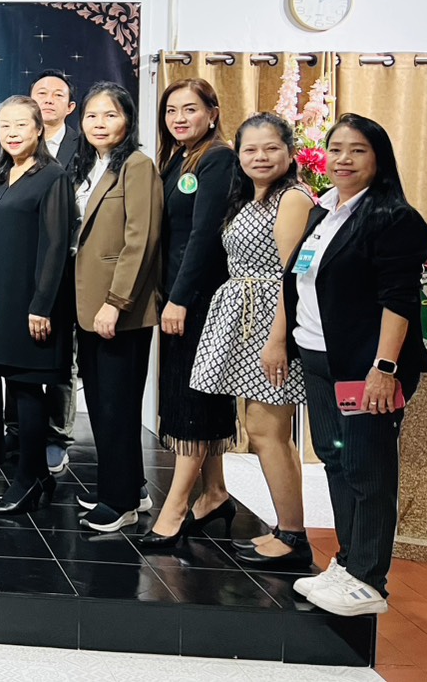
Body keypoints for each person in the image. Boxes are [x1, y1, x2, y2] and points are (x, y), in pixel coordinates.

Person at [284, 115, 427, 616]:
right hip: (318, 358)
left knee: (368, 469)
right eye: (336, 149)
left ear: (379, 158)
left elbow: (399, 300)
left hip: (365, 368)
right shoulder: (323, 212)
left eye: (358, 150)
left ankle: (369, 580)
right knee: (336, 459)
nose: (343, 159)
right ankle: (348, 564)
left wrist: (384, 368)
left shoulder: (393, 218)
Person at [190, 113, 313, 565]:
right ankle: (288, 528)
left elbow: (291, 275)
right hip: (243, 317)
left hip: (270, 323)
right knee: (263, 430)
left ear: (290, 153)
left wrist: (278, 340)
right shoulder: (250, 197)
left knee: (267, 431)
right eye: (250, 149)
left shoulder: (292, 198)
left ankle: (293, 536)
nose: (260, 157)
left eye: (271, 148)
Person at [141, 79, 238, 544]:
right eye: (171, 110)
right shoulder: (179, 158)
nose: (179, 118)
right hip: (176, 295)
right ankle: (215, 492)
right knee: (200, 394)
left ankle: (175, 510)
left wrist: (179, 298)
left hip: (198, 299)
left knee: (192, 400)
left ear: (212, 113)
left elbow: (205, 236)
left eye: (190, 109)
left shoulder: (218, 159)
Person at [67, 83, 162, 532]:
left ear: (128, 120)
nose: (99, 123)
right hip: (87, 304)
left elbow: (140, 240)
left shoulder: (138, 166)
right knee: (104, 403)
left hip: (118, 310)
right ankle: (128, 488)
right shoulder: (90, 166)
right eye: (92, 116)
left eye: (110, 115)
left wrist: (116, 302)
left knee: (116, 407)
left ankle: (119, 501)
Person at [0, 96, 74, 515]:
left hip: (33, 303)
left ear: (38, 129)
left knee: (29, 389)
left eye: (21, 124)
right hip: (2, 301)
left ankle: (28, 480)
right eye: (6, 125)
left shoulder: (52, 176)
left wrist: (42, 304)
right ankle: (35, 475)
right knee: (18, 389)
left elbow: (56, 245)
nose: (13, 133)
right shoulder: (3, 175)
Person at [28, 68, 80, 472]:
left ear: (70, 106)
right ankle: (20, 431)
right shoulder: (18, 144)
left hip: (71, 265)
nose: (48, 99)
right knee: (22, 354)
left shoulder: (84, 147)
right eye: (40, 93)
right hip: (25, 265)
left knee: (63, 355)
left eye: (56, 94)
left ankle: (58, 435)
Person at [32, 69, 80, 162]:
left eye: (58, 95)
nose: (48, 100)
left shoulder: (82, 147)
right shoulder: (15, 142)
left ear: (70, 107)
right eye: (42, 93)